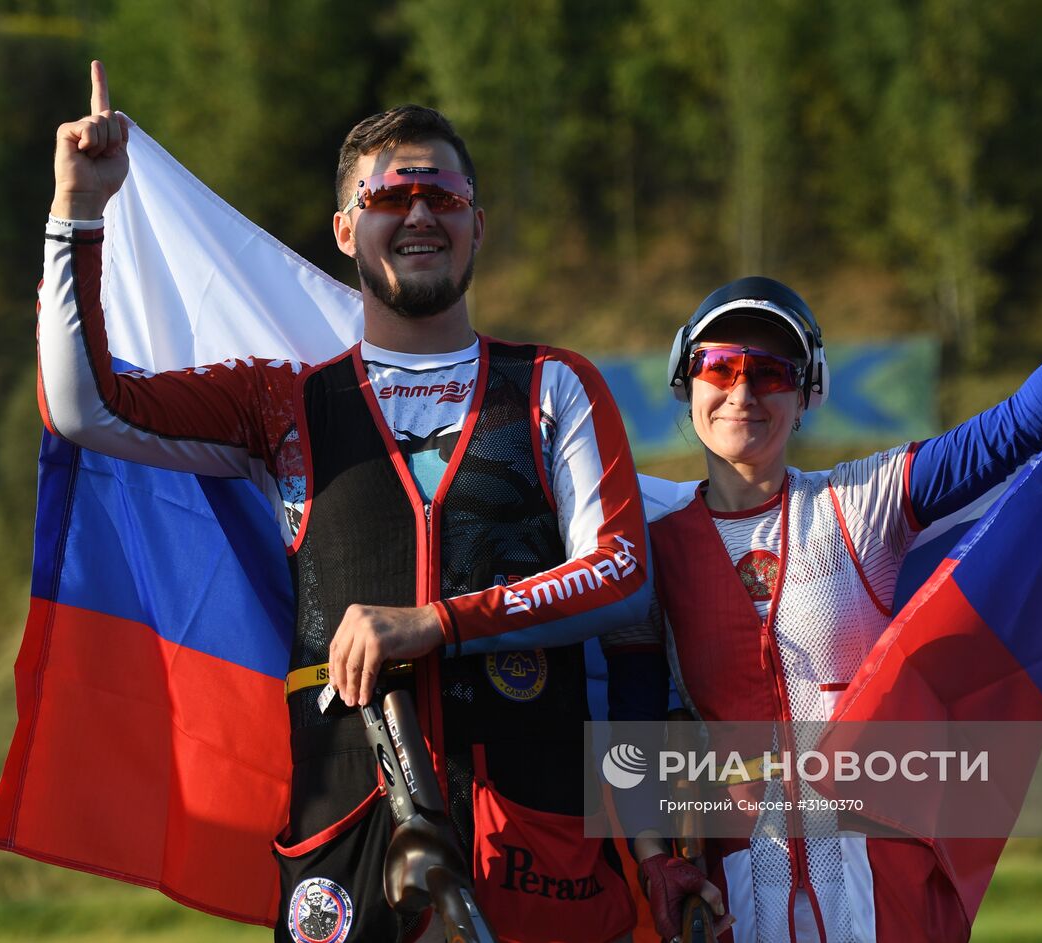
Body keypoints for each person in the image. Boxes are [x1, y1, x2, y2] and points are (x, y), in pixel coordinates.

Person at [41, 61, 661, 942]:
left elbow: (622, 576)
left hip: (536, 852)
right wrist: (80, 210)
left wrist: (436, 623)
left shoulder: (554, 385)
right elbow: (85, 407)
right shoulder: (283, 402)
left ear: (477, 225)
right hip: (349, 845)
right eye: (387, 198)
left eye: (442, 196)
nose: (417, 214)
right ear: (344, 228)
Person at [638, 185, 1042, 942]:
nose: (743, 389)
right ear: (688, 385)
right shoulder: (644, 536)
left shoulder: (862, 501)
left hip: (883, 892)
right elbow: (632, 718)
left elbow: (1015, 429)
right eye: (720, 366)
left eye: (772, 372)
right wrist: (656, 858)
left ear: (809, 393)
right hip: (731, 898)